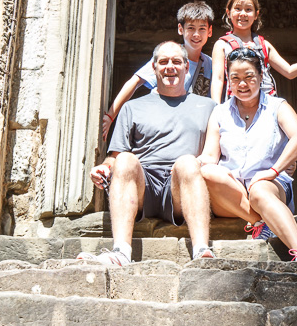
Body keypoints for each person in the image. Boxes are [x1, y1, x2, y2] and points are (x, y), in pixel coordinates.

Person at [77, 41, 216, 266]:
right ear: (154, 67)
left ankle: (202, 251)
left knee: (188, 162)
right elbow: (115, 156)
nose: (170, 67)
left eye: (176, 61)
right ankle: (121, 253)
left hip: (181, 185)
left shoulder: (209, 107)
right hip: (143, 186)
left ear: (186, 67)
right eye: (163, 62)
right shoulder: (132, 107)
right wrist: (104, 167)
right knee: (125, 159)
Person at [198, 47, 297, 265]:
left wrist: (273, 171)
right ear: (228, 80)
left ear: (261, 76)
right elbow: (209, 157)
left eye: (249, 77)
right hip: (232, 193)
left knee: (259, 190)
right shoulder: (220, 112)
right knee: (207, 173)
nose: (242, 84)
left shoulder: (277, 106)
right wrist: (191, 165)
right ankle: (260, 222)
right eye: (235, 78)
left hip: (270, 185)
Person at [102, 1, 214, 140]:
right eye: (191, 28)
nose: (196, 34)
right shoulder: (168, 57)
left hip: (191, 131)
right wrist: (110, 116)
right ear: (180, 29)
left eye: (202, 29)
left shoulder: (211, 64)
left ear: (210, 31)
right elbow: (135, 81)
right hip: (163, 125)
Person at [211, 0, 297, 104]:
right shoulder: (222, 45)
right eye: (238, 9)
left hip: (266, 105)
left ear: (256, 14)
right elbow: (218, 79)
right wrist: (216, 109)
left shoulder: (263, 45)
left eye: (248, 9)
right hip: (236, 105)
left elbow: (289, 72)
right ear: (228, 13)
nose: (242, 14)